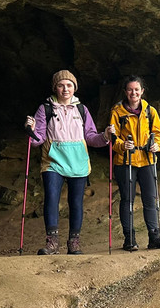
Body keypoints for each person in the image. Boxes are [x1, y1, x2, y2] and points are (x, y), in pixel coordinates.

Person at [25, 70, 109, 255]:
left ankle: (74, 242)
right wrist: (31, 131)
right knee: (52, 199)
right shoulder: (45, 108)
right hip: (53, 160)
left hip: (77, 161)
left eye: (69, 85)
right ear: (55, 87)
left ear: (75, 88)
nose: (65, 89)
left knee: (76, 202)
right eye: (61, 85)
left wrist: (105, 137)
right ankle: (52, 242)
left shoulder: (82, 109)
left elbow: (91, 137)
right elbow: (38, 139)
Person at [106, 75, 160, 251]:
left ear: (142, 91)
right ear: (125, 92)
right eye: (130, 89)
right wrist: (122, 145)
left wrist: (156, 145)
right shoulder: (117, 112)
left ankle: (154, 237)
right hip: (125, 161)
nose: (133, 93)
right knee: (127, 200)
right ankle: (129, 239)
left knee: (150, 199)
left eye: (137, 89)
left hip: (147, 160)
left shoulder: (150, 111)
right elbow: (112, 138)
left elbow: (159, 133)